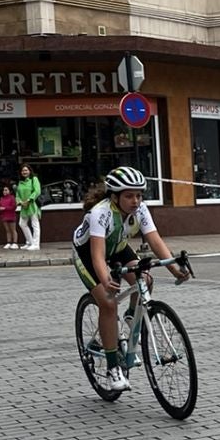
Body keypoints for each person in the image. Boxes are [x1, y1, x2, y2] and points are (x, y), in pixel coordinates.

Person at [73, 166, 189, 392]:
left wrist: (174, 269)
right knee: (107, 301)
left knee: (145, 279)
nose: (135, 201)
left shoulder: (141, 210)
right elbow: (97, 255)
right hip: (88, 252)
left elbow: (155, 240)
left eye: (139, 195)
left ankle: (129, 317)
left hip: (117, 247)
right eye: (129, 196)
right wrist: (105, 279)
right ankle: (113, 367)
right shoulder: (101, 212)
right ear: (115, 196)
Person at [16, 164, 43, 250]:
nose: (24, 172)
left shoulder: (34, 179)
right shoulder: (20, 182)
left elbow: (37, 191)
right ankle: (30, 242)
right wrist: (20, 202)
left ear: (30, 171)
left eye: (26, 170)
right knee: (22, 224)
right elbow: (17, 195)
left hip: (32, 205)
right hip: (24, 206)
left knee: (35, 224)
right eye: (23, 170)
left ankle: (36, 244)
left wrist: (29, 200)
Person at [0, 184, 19, 249]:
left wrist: (5, 208)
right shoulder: (2, 199)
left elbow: (14, 207)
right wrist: (0, 209)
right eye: (4, 190)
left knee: (13, 230)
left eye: (6, 190)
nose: (4, 191)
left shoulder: (12, 198)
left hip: (11, 216)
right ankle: (9, 242)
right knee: (7, 230)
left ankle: (15, 243)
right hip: (4, 216)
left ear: (10, 191)